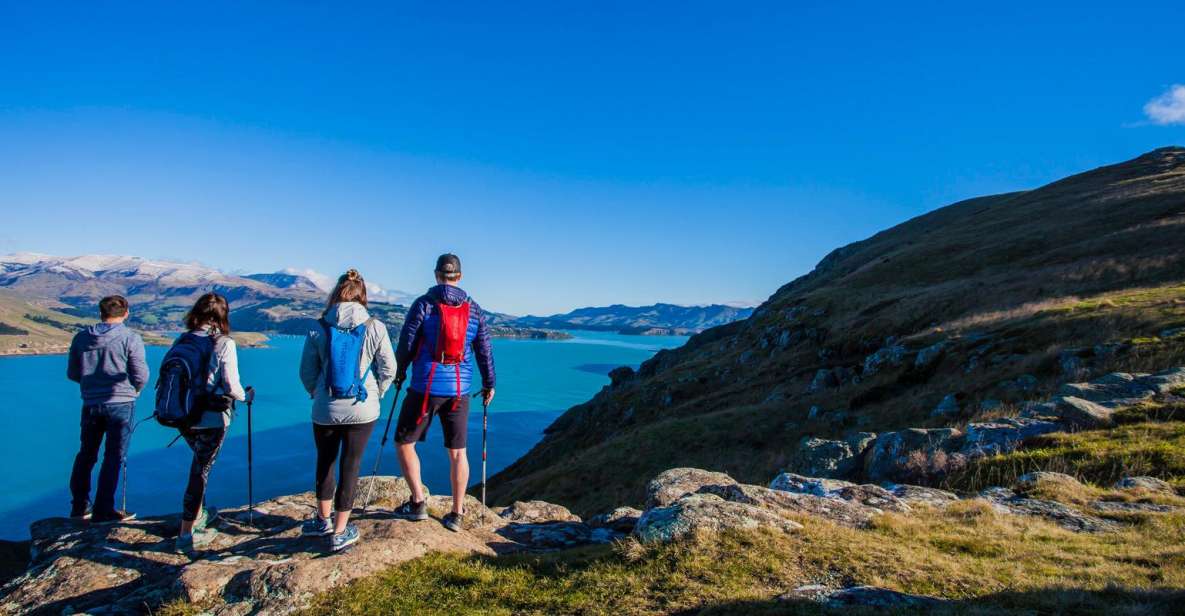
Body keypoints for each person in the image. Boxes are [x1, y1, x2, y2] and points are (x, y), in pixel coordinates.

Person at [392, 254, 495, 532]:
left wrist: (399, 373)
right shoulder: (474, 310)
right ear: (459, 277)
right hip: (459, 391)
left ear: (437, 274)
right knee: (458, 453)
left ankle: (418, 502)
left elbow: (408, 342)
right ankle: (457, 513)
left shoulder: (424, 305)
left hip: (425, 388)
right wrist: (489, 383)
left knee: (404, 442)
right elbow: (484, 350)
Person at [299, 269, 396, 551]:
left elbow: (307, 371)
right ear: (363, 294)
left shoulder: (318, 326)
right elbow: (389, 368)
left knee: (325, 461)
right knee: (350, 465)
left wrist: (316, 393)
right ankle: (340, 532)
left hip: (325, 408)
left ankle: (322, 520)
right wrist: (378, 393)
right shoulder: (375, 326)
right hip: (363, 410)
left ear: (336, 293)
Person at [174, 292, 247, 553]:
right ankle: (186, 533)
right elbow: (230, 384)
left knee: (198, 464)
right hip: (211, 417)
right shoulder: (223, 343)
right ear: (222, 315)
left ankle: (198, 515)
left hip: (183, 415)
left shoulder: (183, 339)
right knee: (201, 471)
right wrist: (245, 396)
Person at [66, 295, 148, 523]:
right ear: (126, 313)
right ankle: (104, 510)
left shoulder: (81, 338)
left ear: (100, 312)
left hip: (91, 403)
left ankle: (79, 507)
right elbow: (140, 374)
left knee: (86, 454)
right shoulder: (130, 338)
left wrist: (92, 385)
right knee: (114, 456)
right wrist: (136, 389)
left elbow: (73, 373)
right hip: (121, 403)